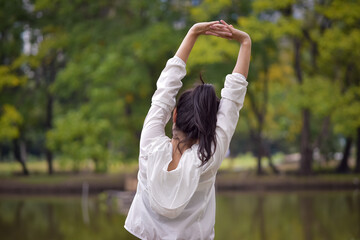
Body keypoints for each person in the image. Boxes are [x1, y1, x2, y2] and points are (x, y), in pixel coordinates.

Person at [124, 20, 251, 240]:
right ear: (210, 127)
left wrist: (193, 33)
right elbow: (232, 100)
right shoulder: (208, 158)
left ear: (174, 116)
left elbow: (165, 90)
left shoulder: (149, 146)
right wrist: (245, 42)